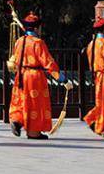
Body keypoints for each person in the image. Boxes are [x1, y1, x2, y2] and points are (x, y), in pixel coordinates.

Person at [9, 12, 66, 140]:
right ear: (36, 28)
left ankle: (17, 120)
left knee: (22, 101)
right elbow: (48, 62)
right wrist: (61, 77)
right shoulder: (38, 43)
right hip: (34, 77)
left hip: (21, 74)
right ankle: (33, 132)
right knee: (35, 103)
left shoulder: (19, 41)